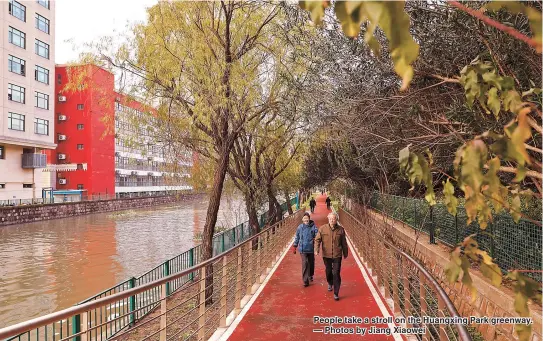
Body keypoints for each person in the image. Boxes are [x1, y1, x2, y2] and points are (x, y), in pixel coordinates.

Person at [314, 212, 348, 301]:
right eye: (330, 219)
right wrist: (316, 249)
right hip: (326, 255)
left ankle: (336, 293)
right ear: (328, 219)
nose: (332, 220)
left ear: (336, 219)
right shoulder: (322, 228)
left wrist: (345, 252)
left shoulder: (341, 230)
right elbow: (317, 240)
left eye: (333, 219)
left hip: (337, 255)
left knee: (336, 273)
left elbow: (344, 242)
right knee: (328, 271)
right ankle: (330, 282)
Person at [292, 212, 318, 287]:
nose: (306, 220)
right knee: (305, 263)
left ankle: (310, 275)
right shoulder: (300, 227)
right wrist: (295, 245)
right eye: (304, 218)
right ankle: (305, 280)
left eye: (307, 218)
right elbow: (297, 237)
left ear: (309, 219)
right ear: (302, 220)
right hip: (302, 249)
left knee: (311, 263)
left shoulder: (313, 227)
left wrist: (315, 240)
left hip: (310, 248)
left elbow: (317, 235)